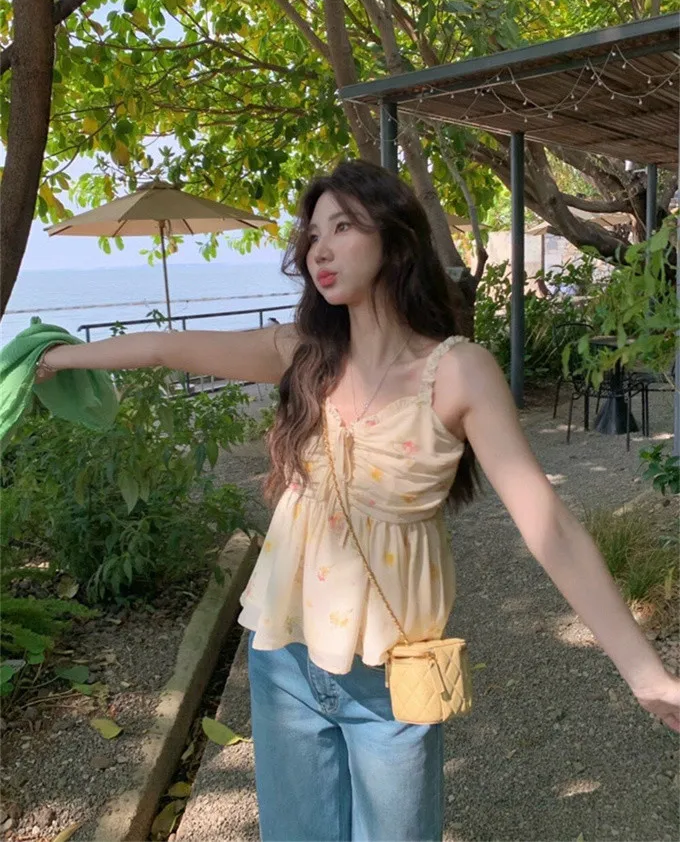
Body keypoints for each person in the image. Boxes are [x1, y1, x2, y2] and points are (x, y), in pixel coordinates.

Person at [36, 160, 679, 842]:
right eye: (313, 234)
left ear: (395, 239)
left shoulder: (457, 372)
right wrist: (53, 359)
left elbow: (548, 525)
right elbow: (168, 349)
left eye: (343, 227)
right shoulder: (303, 354)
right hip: (283, 655)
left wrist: (645, 672)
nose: (319, 248)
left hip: (390, 672)